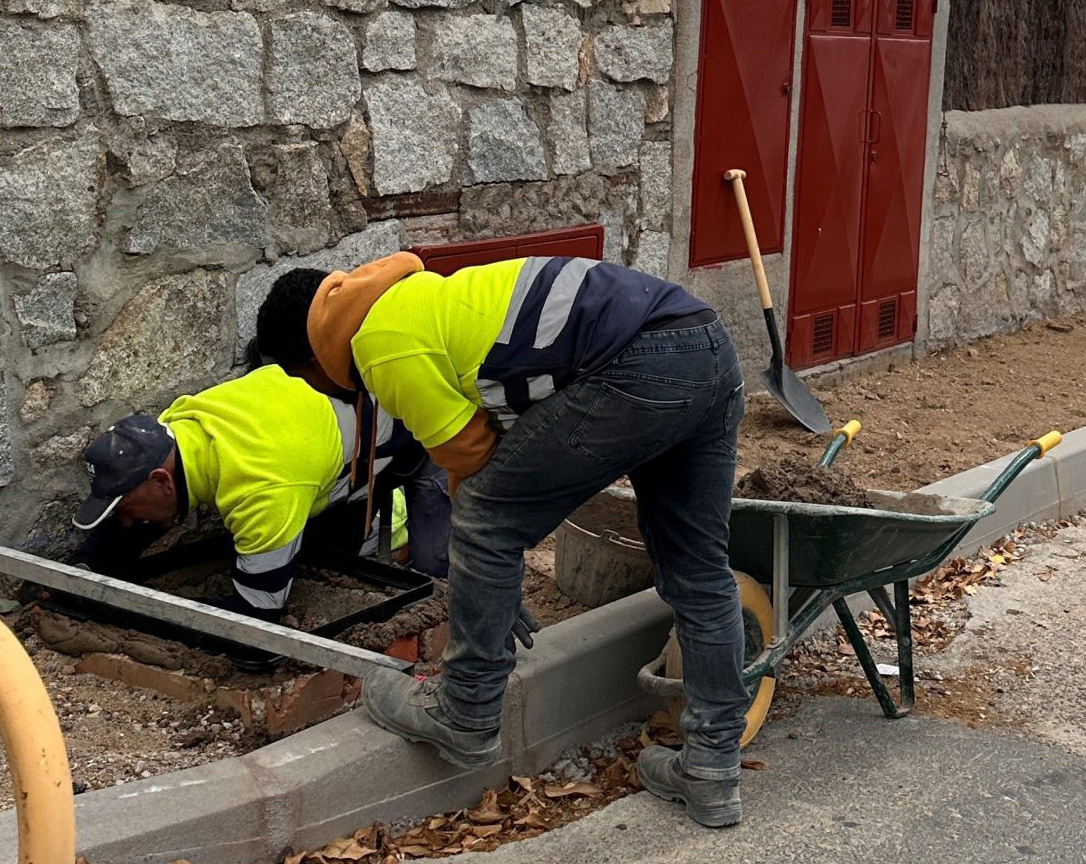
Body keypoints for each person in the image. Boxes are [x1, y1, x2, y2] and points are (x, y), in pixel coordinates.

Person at [254, 253, 748, 828]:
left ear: (311, 359)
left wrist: (491, 555)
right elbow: (487, 452)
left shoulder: (379, 341)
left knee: (486, 521)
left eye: (300, 378)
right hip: (704, 344)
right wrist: (490, 570)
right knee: (698, 573)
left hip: (638, 363)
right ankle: (712, 771)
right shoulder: (422, 301)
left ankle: (466, 712)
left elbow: (469, 460)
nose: (312, 389)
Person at [71, 364, 455, 621]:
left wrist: (137, 612)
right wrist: (85, 567)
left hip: (424, 423)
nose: (127, 519)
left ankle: (402, 535)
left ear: (161, 481)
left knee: (438, 570)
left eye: (123, 508)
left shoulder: (262, 489)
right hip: (317, 440)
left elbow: (257, 614)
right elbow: (155, 504)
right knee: (319, 541)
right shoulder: (179, 423)